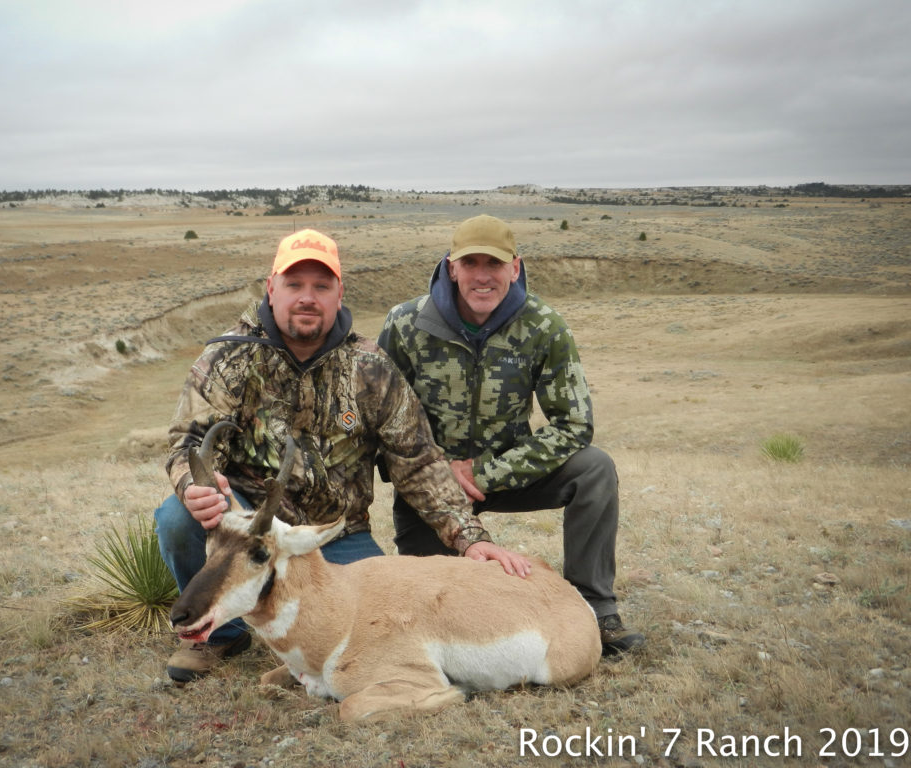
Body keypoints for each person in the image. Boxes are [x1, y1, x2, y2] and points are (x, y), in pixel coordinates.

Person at [154, 227, 530, 683]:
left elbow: (419, 462)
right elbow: (188, 442)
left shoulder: (370, 367)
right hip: (248, 525)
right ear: (271, 288)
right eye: (294, 285)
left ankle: (304, 648)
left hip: (334, 536)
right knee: (177, 518)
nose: (307, 298)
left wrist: (470, 538)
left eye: (321, 286)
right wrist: (195, 485)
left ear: (339, 294)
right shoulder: (227, 358)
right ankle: (218, 635)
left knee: (373, 624)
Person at [377, 214, 645, 656]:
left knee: (594, 469)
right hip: (431, 487)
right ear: (451, 267)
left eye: (495, 264)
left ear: (515, 268)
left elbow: (575, 424)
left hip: (509, 475)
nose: (483, 276)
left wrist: (487, 473)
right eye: (471, 263)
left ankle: (595, 610)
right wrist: (436, 472)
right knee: (430, 612)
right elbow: (382, 420)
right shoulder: (405, 325)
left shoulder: (544, 326)